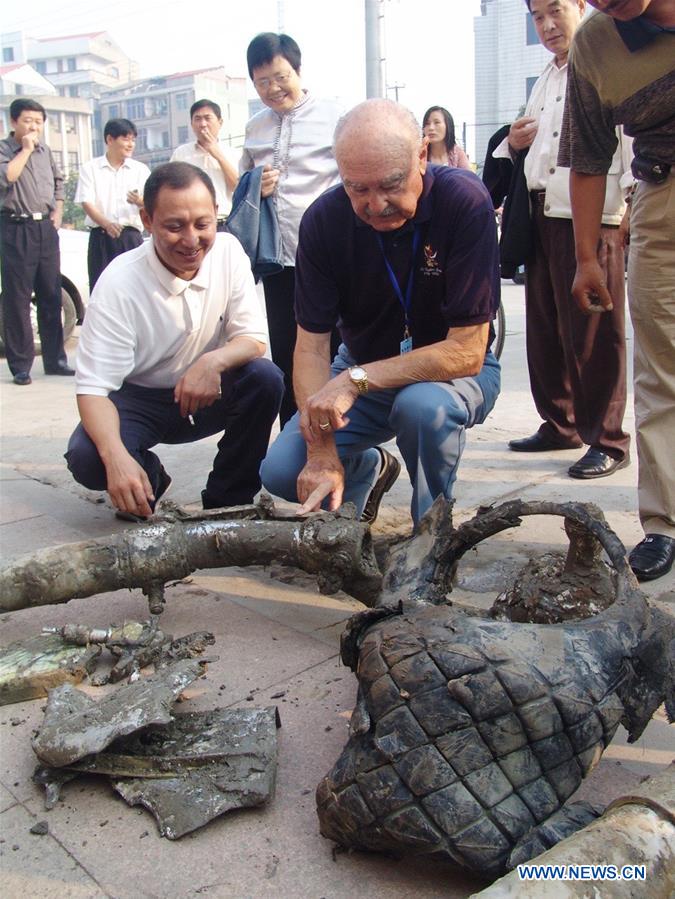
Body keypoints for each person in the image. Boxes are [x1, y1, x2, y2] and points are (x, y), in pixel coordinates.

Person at [261, 99, 501, 526]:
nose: (375, 204)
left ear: (422, 156)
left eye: (391, 184)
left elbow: (466, 351)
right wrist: (321, 451)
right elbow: (312, 350)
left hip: (452, 371)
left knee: (421, 408)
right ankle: (361, 483)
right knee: (282, 471)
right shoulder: (322, 223)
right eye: (358, 188)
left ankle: (431, 532)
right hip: (360, 366)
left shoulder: (463, 203)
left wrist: (355, 381)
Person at [65, 162, 284, 522]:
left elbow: (254, 338)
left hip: (206, 393)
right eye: (174, 226)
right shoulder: (119, 283)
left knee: (265, 378)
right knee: (90, 459)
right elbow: (92, 389)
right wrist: (117, 459)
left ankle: (228, 501)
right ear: (147, 220)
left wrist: (211, 362)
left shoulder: (228, 252)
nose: (191, 240)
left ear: (216, 214)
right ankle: (146, 480)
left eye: (202, 224)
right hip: (138, 400)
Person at [559, 0, 675, 580]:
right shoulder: (596, 44)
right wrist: (585, 258)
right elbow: (588, 157)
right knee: (662, 372)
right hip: (662, 201)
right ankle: (665, 524)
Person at [496, 0, 633, 480]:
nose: (549, 25)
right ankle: (561, 422)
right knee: (546, 326)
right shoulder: (546, 77)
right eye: (538, 17)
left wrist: (626, 215)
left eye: (556, 10)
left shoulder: (607, 62)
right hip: (540, 214)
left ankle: (609, 440)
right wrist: (513, 143)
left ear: (581, 6)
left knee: (595, 332)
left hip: (591, 216)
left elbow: (632, 143)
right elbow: (531, 150)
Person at [241, 32, 342, 426]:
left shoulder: (334, 116)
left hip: (328, 256)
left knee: (331, 349)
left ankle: (342, 437)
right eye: (262, 82)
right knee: (285, 349)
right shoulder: (254, 127)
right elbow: (242, 185)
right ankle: (293, 437)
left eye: (280, 76)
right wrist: (253, 182)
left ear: (298, 70)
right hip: (278, 260)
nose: (273, 88)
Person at [0, 98, 73, 385]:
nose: (34, 126)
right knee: (18, 298)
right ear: (14, 122)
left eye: (38, 121)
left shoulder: (47, 152)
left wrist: (58, 211)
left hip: (45, 227)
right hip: (16, 226)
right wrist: (26, 150)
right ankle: (21, 365)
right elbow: (7, 177)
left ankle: (55, 360)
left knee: (51, 293)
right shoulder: (5, 150)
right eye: (28, 120)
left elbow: (58, 183)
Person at [75, 118, 150, 292]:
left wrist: (140, 201)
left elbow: (153, 203)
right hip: (101, 237)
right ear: (109, 140)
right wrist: (106, 224)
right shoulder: (90, 169)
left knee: (135, 289)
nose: (130, 144)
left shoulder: (141, 170)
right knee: (102, 289)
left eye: (133, 140)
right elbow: (86, 202)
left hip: (130, 237)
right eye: (125, 139)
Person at [171, 99, 240, 232]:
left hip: (225, 223)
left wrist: (217, 154)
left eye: (208, 118)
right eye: (197, 119)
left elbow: (238, 188)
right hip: (191, 225)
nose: (203, 124)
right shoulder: (181, 154)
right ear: (191, 124)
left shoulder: (234, 153)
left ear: (220, 122)